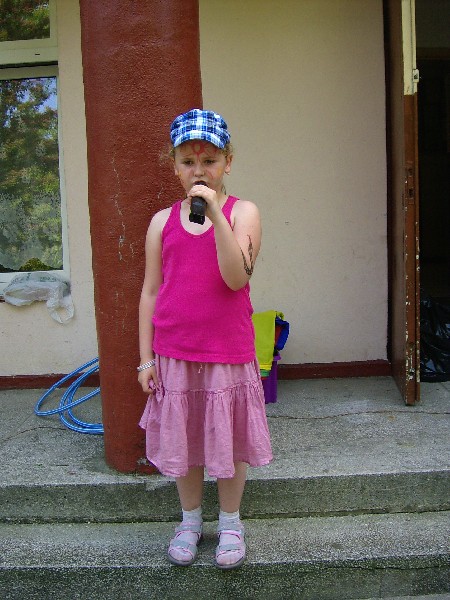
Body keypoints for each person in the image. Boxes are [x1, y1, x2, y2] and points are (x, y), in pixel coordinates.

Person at [138, 108, 272, 570]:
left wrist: (215, 214)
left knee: (229, 441)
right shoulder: (161, 222)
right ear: (175, 167)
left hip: (227, 352)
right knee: (187, 438)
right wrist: (145, 359)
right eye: (189, 161)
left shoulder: (243, 212)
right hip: (174, 353)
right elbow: (151, 291)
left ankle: (230, 523)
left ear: (228, 163)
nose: (200, 171)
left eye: (210, 161)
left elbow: (236, 278)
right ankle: (190, 521)